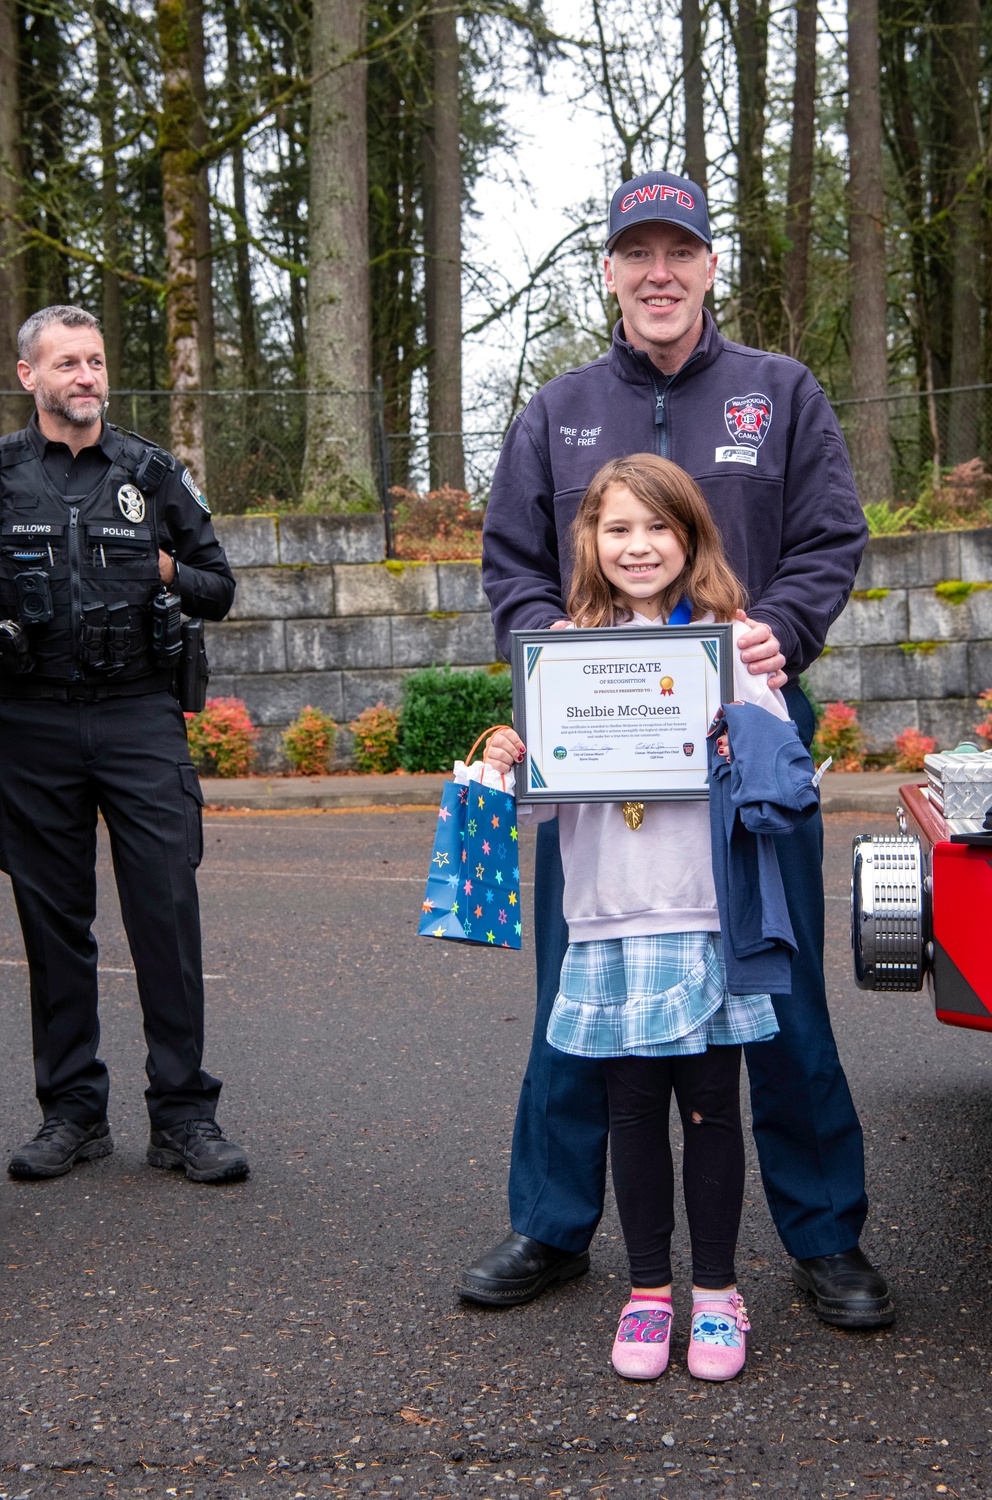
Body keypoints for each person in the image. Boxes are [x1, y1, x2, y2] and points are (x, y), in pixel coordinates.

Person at [465, 169, 893, 1330]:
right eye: (636, 253)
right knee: (579, 983)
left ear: (709, 267)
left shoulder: (780, 391)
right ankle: (553, 1225)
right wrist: (540, 640)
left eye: (680, 252)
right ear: (607, 271)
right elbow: (509, 562)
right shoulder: (556, 411)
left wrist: (780, 632)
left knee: (778, 984)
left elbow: (828, 537)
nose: (659, 273)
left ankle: (822, 1236)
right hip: (592, 752)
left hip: (744, 744)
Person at [483, 453, 818, 1380]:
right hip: (607, 918)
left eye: (658, 527)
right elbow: (545, 805)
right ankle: (647, 1293)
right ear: (588, 541)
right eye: (617, 528)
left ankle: (716, 1293)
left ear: (692, 537)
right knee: (629, 1111)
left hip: (706, 913)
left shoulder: (732, 643)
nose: (638, 546)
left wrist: (745, 728)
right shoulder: (560, 649)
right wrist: (515, 756)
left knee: (712, 1108)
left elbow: (786, 777)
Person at [0, 304, 248, 1185]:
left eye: (95, 361)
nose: (86, 377)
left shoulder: (150, 472)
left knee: (165, 915)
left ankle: (183, 1116)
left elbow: (221, 585)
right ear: (29, 375)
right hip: (28, 723)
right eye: (67, 363)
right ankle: (72, 1113)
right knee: (53, 924)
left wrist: (166, 568)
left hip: (141, 717)